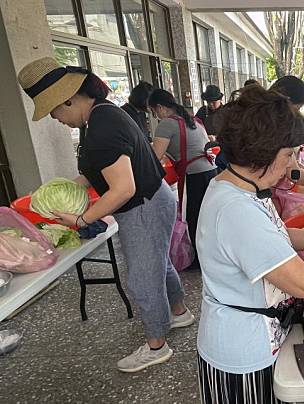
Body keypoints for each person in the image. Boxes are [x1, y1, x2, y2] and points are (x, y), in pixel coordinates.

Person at [195, 85, 304, 403]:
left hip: (260, 335)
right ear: (264, 151)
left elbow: (273, 239)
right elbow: (302, 283)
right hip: (242, 352)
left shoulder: (242, 188)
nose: (293, 163)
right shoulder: (236, 209)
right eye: (289, 153)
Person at [18, 57, 192, 373]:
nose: (55, 118)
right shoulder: (105, 114)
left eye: (54, 110)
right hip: (155, 199)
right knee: (158, 263)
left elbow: (122, 188)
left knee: (142, 279)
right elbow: (106, 171)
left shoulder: (101, 128)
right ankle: (179, 312)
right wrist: (66, 188)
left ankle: (157, 345)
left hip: (142, 207)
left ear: (68, 99)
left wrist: (82, 220)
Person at [148, 89, 216, 271]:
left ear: (161, 108)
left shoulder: (167, 124)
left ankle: (198, 261)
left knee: (193, 218)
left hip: (194, 176)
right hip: (210, 173)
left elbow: (155, 157)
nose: (156, 116)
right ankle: (210, 257)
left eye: (154, 112)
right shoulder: (192, 119)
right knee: (206, 218)